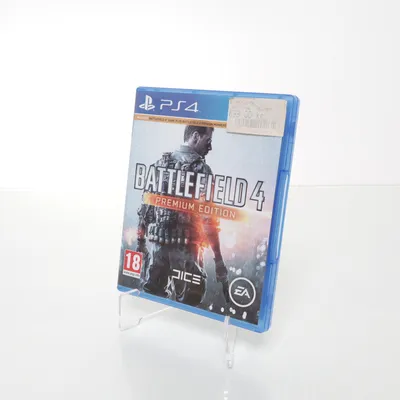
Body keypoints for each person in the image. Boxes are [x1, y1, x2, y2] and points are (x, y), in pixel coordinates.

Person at [136, 125, 229, 306]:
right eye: (208, 141)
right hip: (187, 252)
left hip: (157, 249)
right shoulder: (202, 170)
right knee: (188, 305)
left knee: (151, 300)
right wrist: (218, 260)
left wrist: (141, 243)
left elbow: (145, 210)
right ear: (195, 136)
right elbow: (208, 219)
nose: (210, 147)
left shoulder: (159, 164)